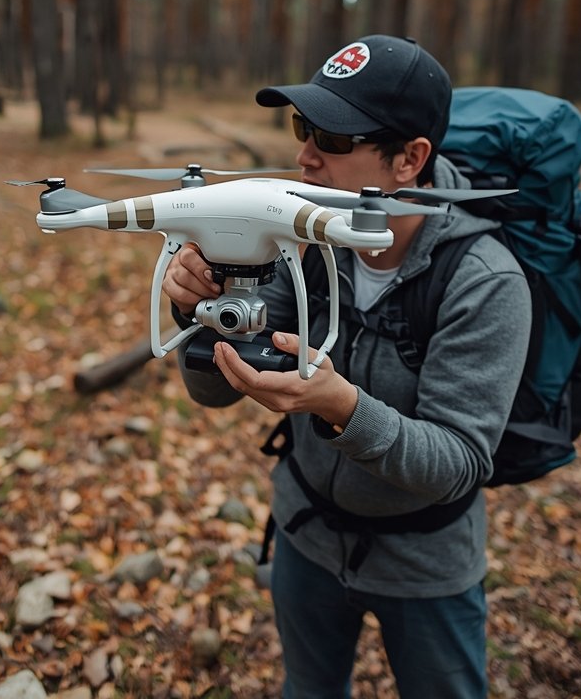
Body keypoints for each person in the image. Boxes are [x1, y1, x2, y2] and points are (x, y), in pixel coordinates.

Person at [162, 35, 532, 699]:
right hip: (305, 534)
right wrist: (205, 313)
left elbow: (459, 463)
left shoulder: (484, 281)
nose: (304, 156)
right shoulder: (303, 240)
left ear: (409, 159)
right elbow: (215, 393)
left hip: (425, 567)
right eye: (304, 127)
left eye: (332, 138)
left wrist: (343, 408)